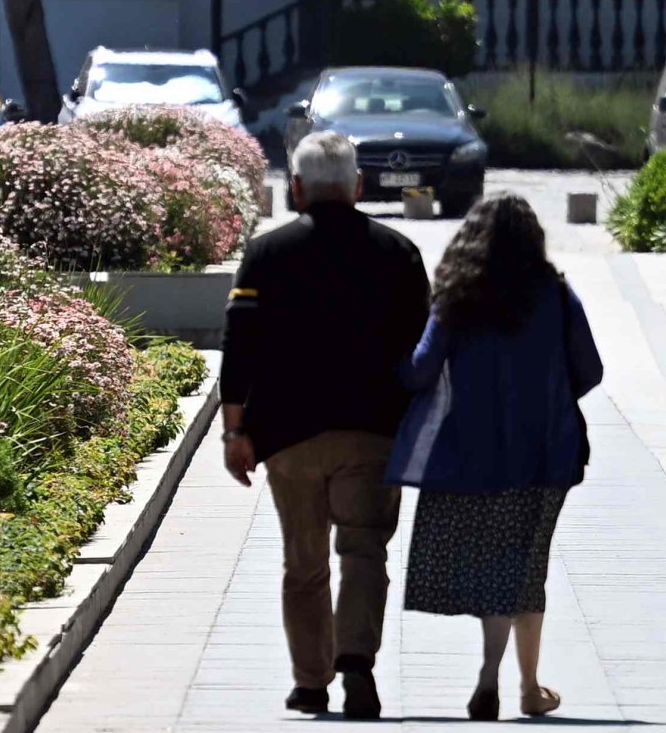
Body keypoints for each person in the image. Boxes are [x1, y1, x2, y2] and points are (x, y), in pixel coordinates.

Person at [220, 129, 433, 719]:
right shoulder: (398, 253)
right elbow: (423, 348)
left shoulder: (267, 253)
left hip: (288, 436)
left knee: (304, 561)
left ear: (295, 188)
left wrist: (235, 431)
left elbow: (240, 345)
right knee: (364, 551)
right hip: (374, 431)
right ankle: (357, 663)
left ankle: (311, 682)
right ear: (358, 186)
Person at [390, 192, 603, 721]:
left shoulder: (457, 298)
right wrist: (551, 390)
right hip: (546, 451)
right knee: (528, 566)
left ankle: (495, 679)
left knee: (498, 566)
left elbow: (418, 370)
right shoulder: (556, 295)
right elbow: (591, 370)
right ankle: (525, 687)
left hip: (473, 453)